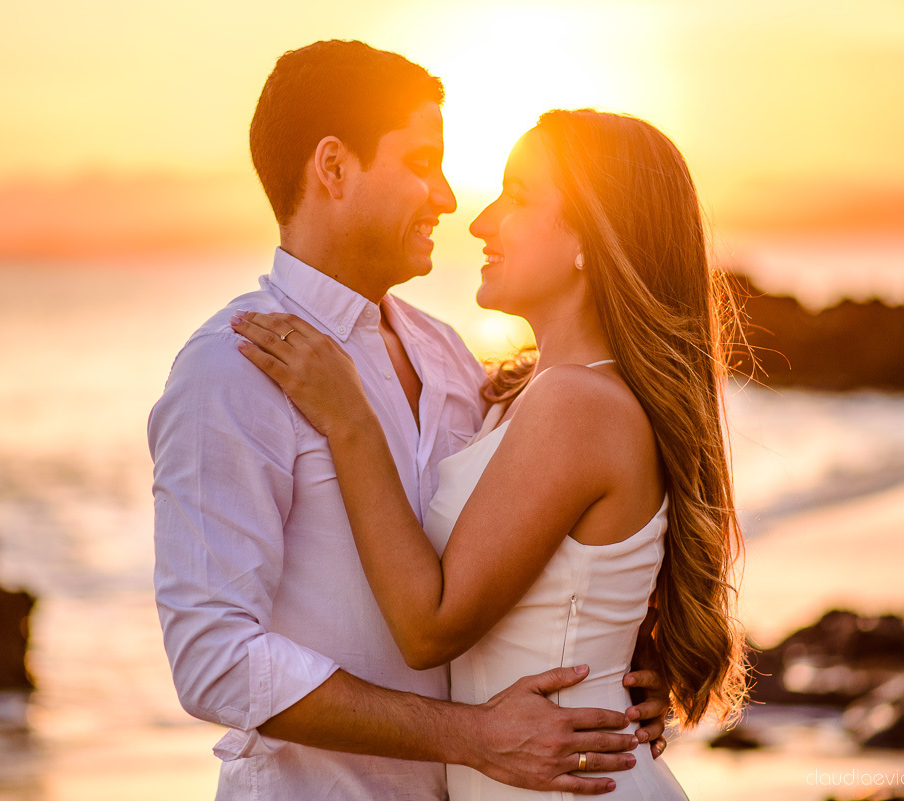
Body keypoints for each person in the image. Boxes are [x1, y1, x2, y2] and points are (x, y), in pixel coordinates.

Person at [149, 41, 670, 801]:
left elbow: (527, 555)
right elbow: (212, 657)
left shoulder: (450, 358)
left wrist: (617, 669)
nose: (449, 198)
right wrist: (470, 735)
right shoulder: (232, 368)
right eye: (422, 162)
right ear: (333, 167)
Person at [231, 108, 750, 799]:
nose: (481, 222)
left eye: (519, 195)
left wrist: (348, 417)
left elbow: (430, 626)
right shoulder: (519, 393)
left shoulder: (576, 404)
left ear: (587, 240)